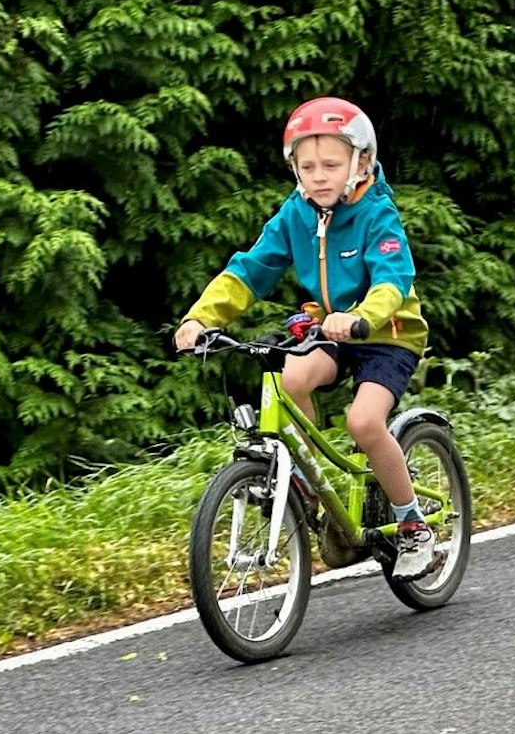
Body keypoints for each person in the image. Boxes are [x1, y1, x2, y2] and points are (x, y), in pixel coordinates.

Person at [172, 97, 438, 579]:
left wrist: (361, 316)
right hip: (330, 326)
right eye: (307, 165)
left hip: (385, 332)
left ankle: (412, 524)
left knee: (363, 422)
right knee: (291, 377)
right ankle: (312, 490)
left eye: (331, 165)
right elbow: (251, 271)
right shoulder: (296, 213)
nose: (319, 175)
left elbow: (392, 281)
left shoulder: (377, 214)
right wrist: (199, 318)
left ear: (361, 163)